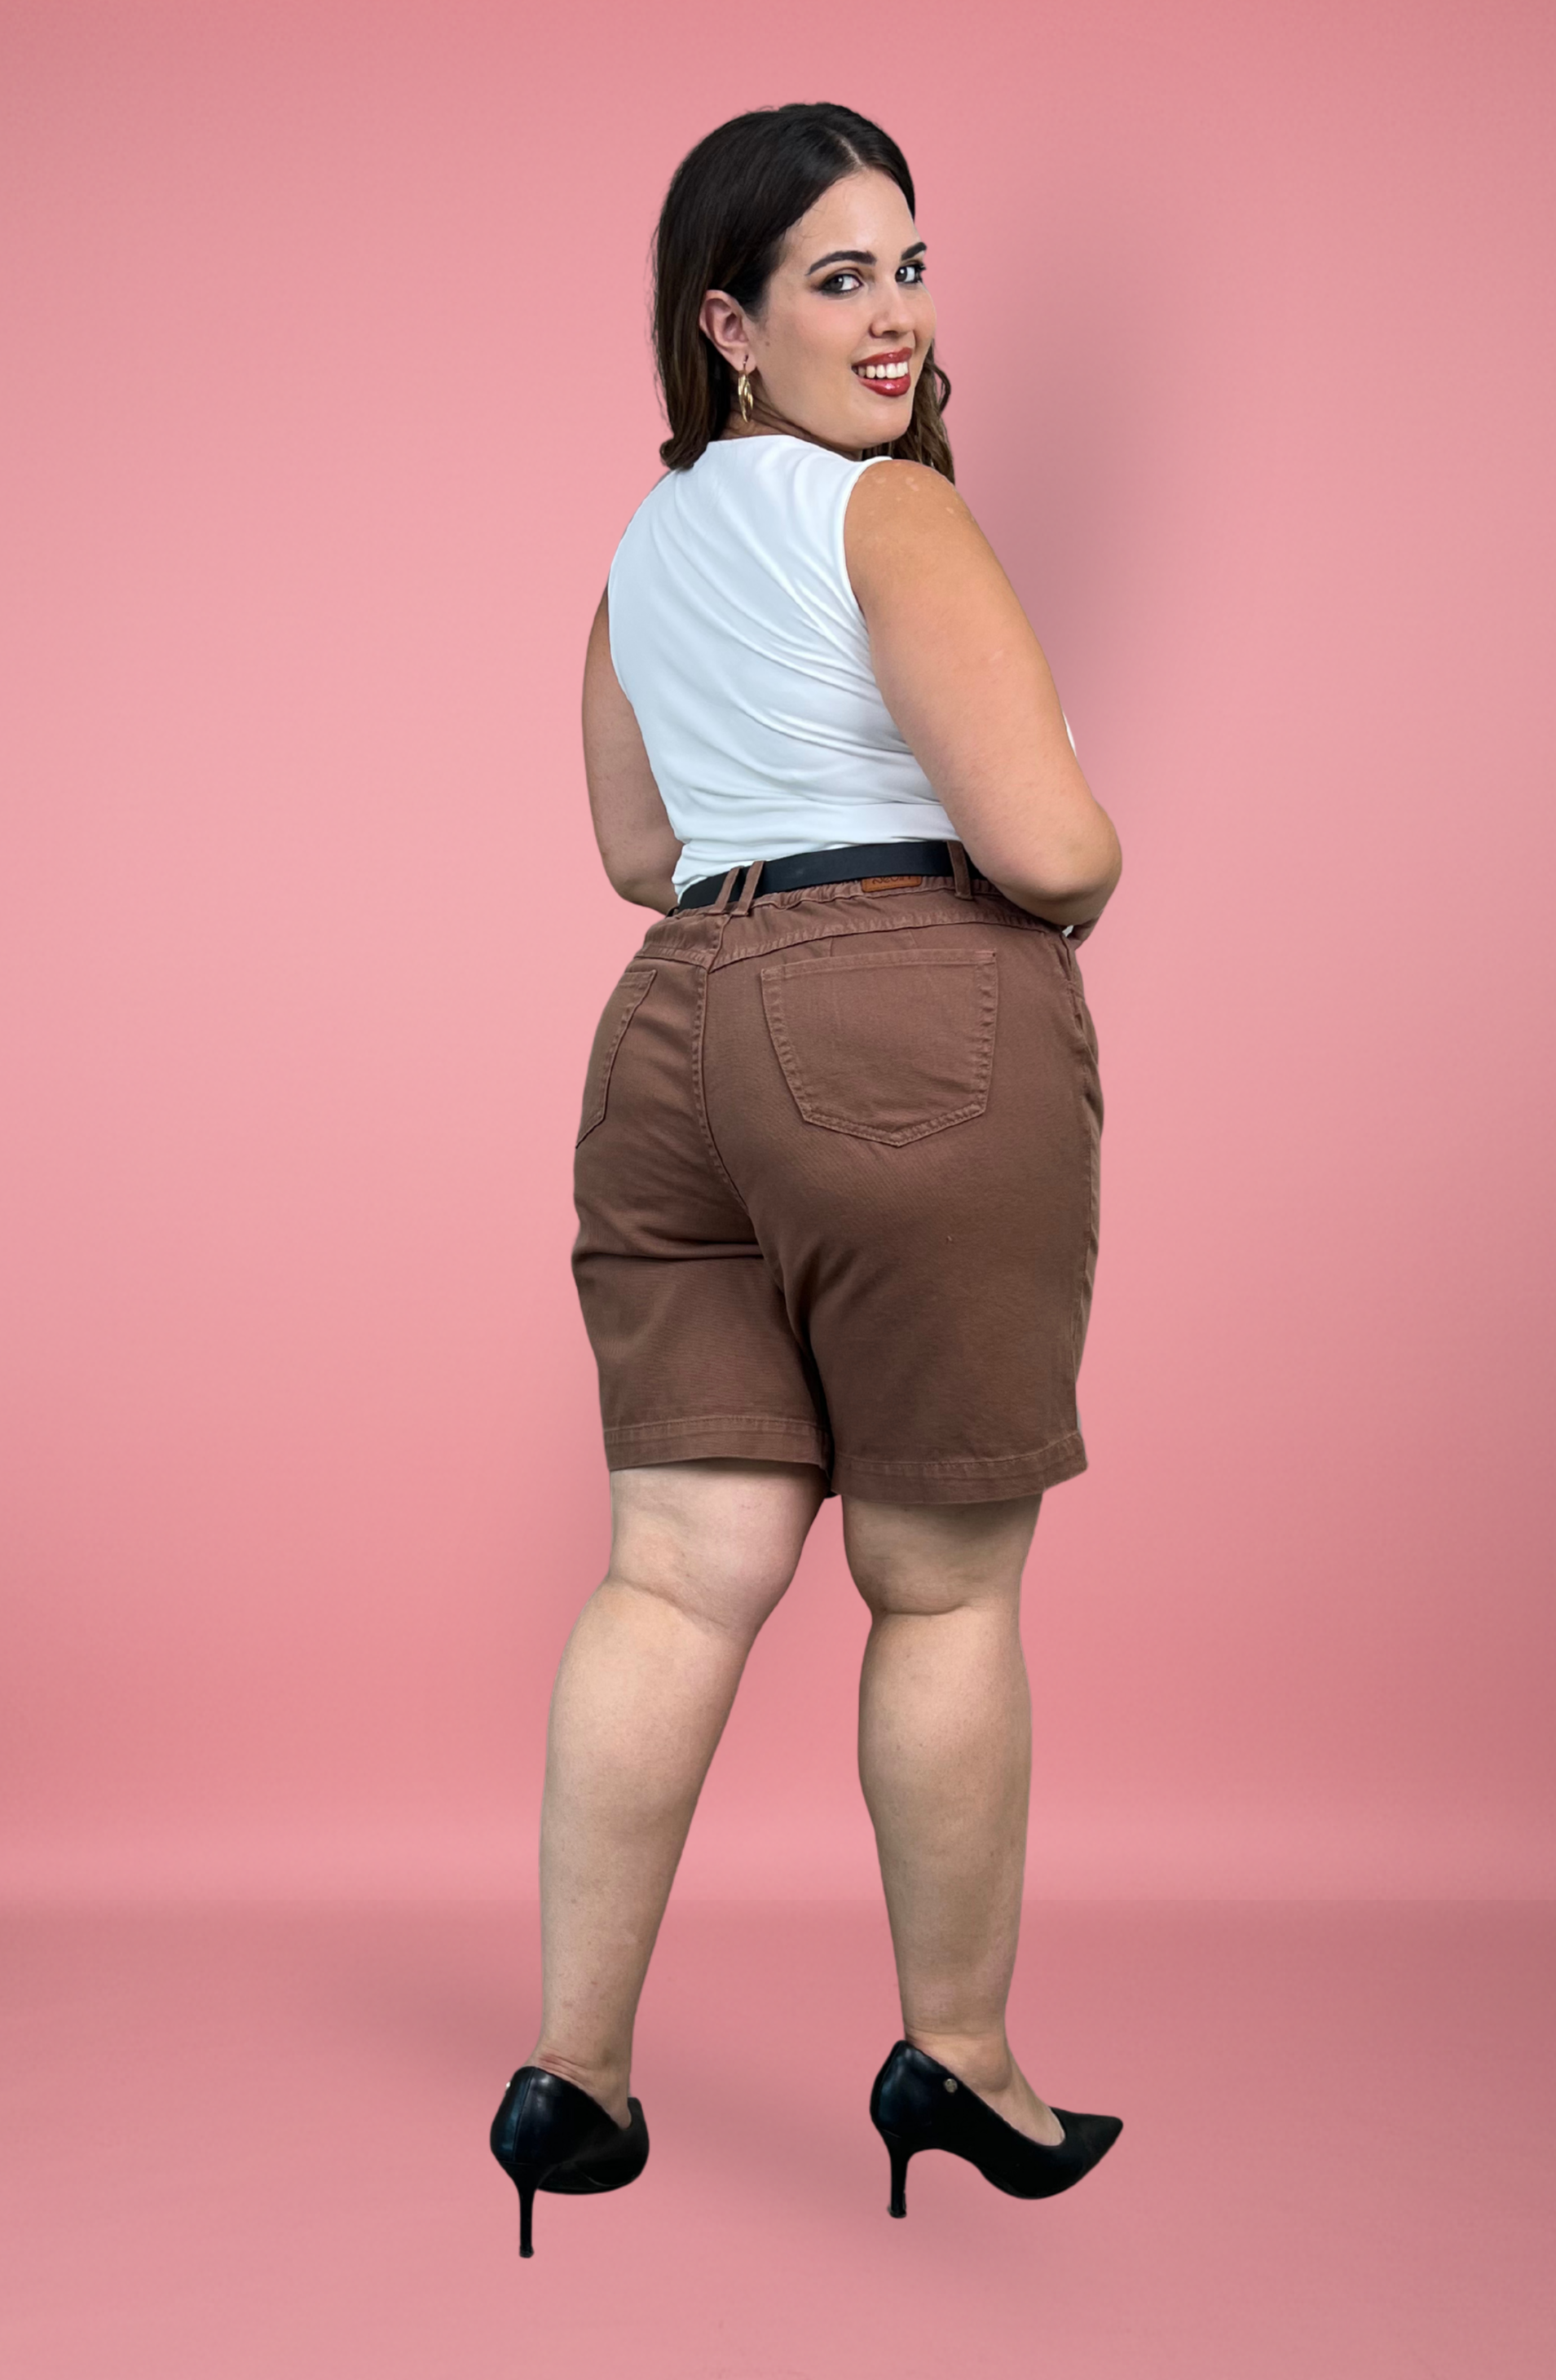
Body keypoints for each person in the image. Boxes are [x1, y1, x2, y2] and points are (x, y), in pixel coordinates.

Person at [490, 102, 1124, 2258]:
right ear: (730, 323)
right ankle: (959, 2051)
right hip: (904, 1008)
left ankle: (573, 2078)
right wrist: (1083, 869)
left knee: (674, 1575)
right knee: (938, 1582)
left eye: (910, 266)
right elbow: (1044, 840)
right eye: (840, 279)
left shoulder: (643, 551)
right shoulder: (891, 511)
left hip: (674, 1034)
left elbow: (638, 848)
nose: (895, 317)